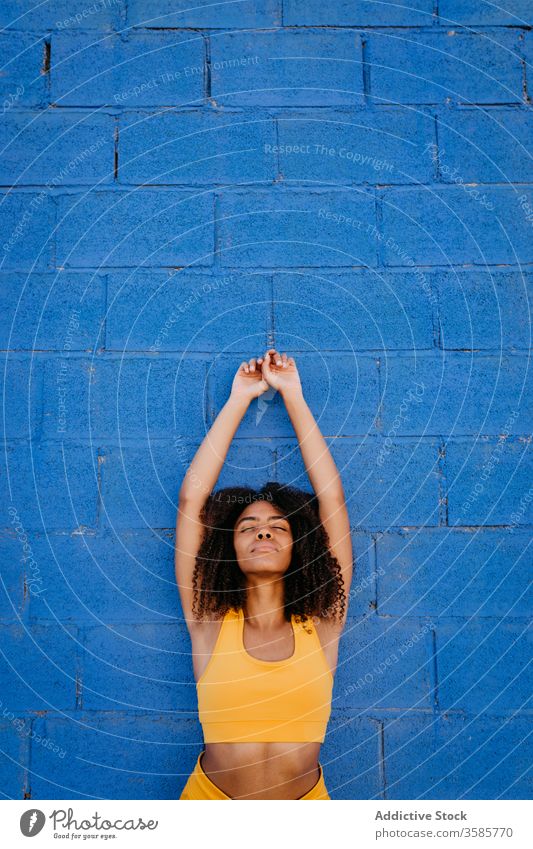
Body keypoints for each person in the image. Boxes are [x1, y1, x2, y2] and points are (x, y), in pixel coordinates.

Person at [176, 349, 353, 799]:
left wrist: (292, 395)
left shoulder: (323, 622)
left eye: (278, 527)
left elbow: (331, 502)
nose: (263, 534)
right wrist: (240, 399)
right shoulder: (209, 620)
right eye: (248, 527)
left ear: (300, 547)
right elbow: (191, 505)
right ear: (228, 548)